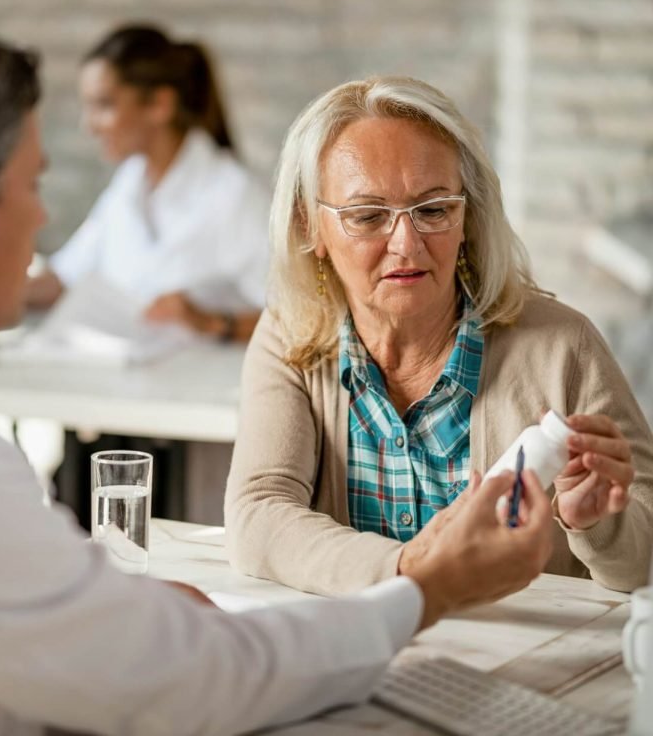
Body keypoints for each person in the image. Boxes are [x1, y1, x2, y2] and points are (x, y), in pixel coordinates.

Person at [0, 15, 555, 736]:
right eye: (33, 183)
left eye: (433, 209)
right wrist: (430, 585)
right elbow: (208, 679)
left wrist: (113, 619)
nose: (40, 217)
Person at [224, 75, 653, 597]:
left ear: (466, 215)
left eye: (432, 210)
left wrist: (597, 525)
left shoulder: (565, 347)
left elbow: (642, 562)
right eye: (367, 216)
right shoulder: (290, 336)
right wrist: (416, 567)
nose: (406, 244)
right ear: (309, 226)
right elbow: (260, 516)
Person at [27, 24, 268, 343]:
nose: (89, 126)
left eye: (104, 105)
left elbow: (307, 317)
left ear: (160, 104)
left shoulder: (234, 194)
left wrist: (212, 322)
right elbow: (65, 277)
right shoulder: (129, 184)